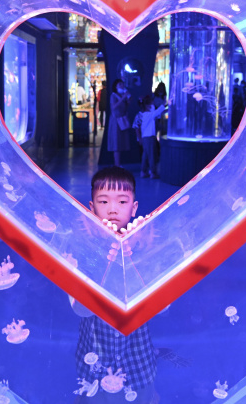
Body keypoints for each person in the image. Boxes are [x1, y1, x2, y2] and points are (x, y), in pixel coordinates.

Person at [71, 167, 158, 403]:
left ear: (134, 208)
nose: (112, 209)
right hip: (95, 351)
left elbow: (161, 305)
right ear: (92, 207)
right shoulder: (83, 251)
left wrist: (134, 260)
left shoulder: (144, 248)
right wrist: (104, 266)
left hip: (137, 354)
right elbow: (80, 309)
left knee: (141, 396)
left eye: (122, 201)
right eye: (103, 201)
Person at [133, 95, 169, 178]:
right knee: (152, 155)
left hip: (145, 138)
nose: (153, 105)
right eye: (152, 104)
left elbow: (158, 113)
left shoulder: (145, 115)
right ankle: (153, 172)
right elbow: (158, 112)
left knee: (145, 155)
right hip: (150, 138)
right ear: (148, 106)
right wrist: (164, 103)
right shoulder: (149, 115)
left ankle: (143, 171)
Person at [107, 79, 132, 167]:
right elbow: (113, 107)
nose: (122, 85)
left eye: (122, 84)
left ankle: (118, 164)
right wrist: (123, 98)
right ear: (115, 86)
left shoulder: (123, 95)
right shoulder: (113, 95)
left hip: (122, 120)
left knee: (121, 143)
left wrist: (128, 99)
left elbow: (127, 106)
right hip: (115, 121)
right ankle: (117, 165)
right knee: (116, 143)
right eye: (120, 84)